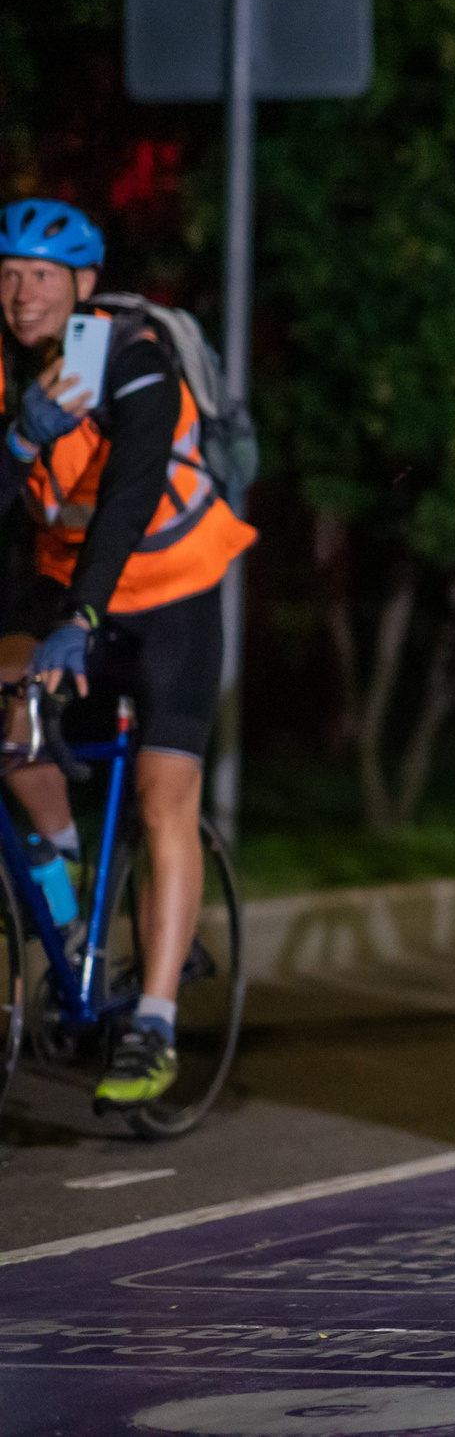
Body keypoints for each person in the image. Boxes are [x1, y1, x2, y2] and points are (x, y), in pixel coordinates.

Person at [0, 198, 258, 1108]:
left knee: (160, 794)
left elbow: (131, 489)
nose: (22, 293)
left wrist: (82, 614)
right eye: (8, 273)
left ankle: (151, 1022)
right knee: (9, 724)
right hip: (70, 589)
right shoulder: (8, 373)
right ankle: (68, 891)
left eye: (41, 276)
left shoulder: (128, 354)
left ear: (80, 285)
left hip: (170, 593)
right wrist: (19, 436)